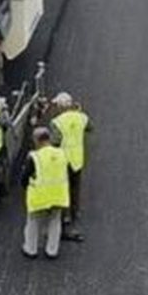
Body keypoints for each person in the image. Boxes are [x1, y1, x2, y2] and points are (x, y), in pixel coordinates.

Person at [21, 127, 70, 259]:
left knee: (33, 222)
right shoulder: (62, 153)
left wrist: (26, 187)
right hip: (59, 195)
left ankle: (31, 249)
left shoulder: (34, 156)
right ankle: (52, 251)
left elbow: (24, 177)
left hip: (39, 196)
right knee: (55, 221)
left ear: (37, 140)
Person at [50, 92, 91, 241]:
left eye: (57, 105)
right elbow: (90, 127)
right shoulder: (82, 118)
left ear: (61, 106)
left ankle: (64, 216)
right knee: (75, 188)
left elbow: (55, 141)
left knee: (63, 189)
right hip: (77, 159)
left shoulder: (57, 122)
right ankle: (75, 212)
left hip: (63, 161)